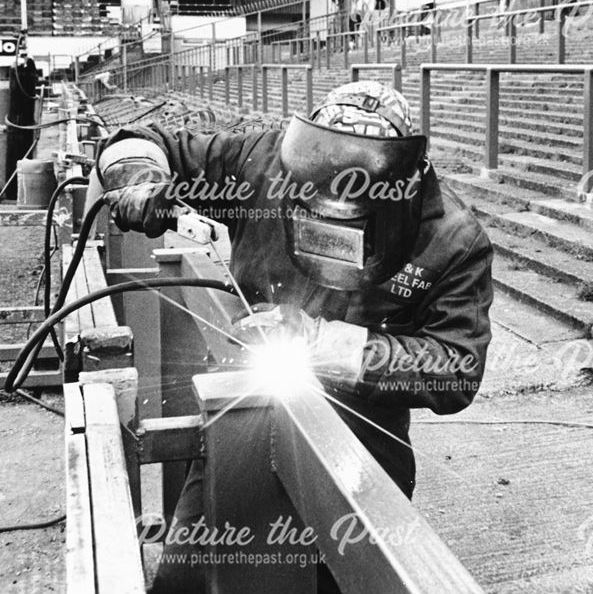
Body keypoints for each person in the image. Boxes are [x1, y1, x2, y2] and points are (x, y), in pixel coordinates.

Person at [95, 80, 493, 592]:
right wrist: (140, 181)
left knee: (353, 577)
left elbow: (454, 368)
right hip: (242, 410)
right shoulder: (262, 161)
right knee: (186, 580)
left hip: (362, 435)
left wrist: (321, 343)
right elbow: (144, 139)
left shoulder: (450, 240)